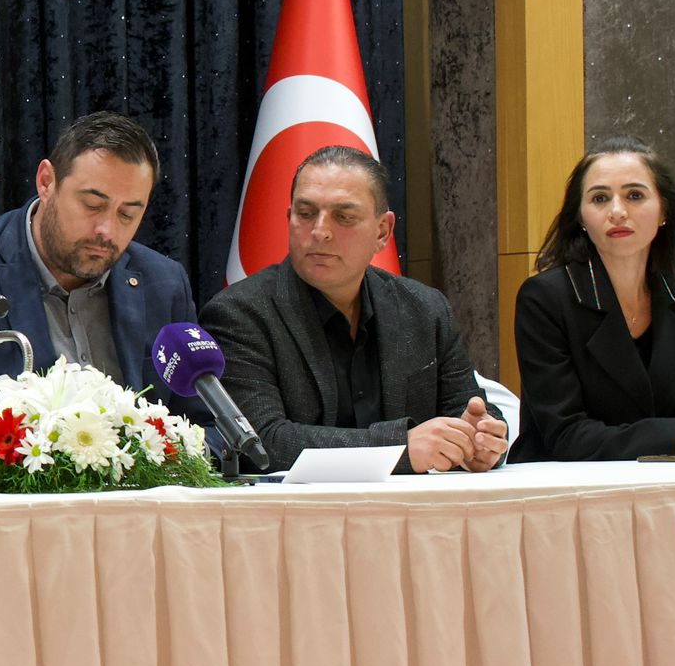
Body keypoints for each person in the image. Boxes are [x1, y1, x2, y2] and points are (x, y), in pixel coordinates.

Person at [0, 111, 200, 442]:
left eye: (128, 214)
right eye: (92, 204)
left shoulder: (163, 282)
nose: (107, 230)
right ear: (46, 182)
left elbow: (205, 425)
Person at [198, 146, 507, 473]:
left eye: (343, 217)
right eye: (305, 213)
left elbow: (465, 408)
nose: (320, 231)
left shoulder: (425, 309)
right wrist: (399, 448)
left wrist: (480, 439)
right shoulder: (239, 313)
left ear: (382, 231)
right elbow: (262, 443)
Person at [511, 136, 675, 460]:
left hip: (663, 477)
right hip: (562, 480)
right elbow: (564, 435)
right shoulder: (545, 298)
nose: (617, 211)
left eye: (635, 195)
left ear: (664, 210)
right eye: (599, 198)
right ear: (580, 217)